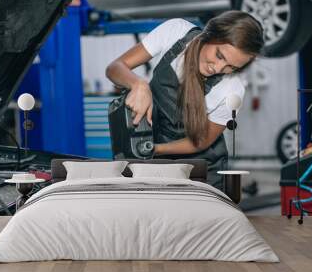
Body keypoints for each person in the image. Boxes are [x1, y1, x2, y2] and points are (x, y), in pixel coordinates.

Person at [105, 10, 264, 190]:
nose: (219, 68)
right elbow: (114, 68)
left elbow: (201, 141)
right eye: (219, 55)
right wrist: (138, 84)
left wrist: (155, 149)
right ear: (209, 35)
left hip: (201, 168)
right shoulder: (175, 32)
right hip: (155, 154)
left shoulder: (232, 90)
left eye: (231, 67)